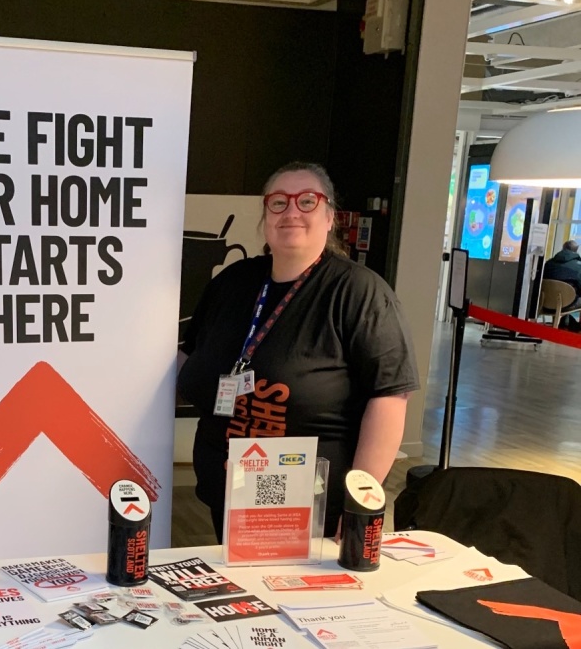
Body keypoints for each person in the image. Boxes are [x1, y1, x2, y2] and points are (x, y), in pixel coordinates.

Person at [176, 161, 419, 543]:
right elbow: (187, 356)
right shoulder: (232, 282)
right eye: (278, 202)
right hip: (227, 484)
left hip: (307, 497)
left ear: (329, 217)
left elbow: (389, 397)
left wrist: (363, 499)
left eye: (307, 201)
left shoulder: (359, 292)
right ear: (265, 216)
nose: (291, 211)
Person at [543, 240, 581, 330]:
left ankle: (564, 322)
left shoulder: (548, 264)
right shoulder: (578, 267)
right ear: (576, 250)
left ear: (563, 248)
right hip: (566, 305)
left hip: (544, 304)